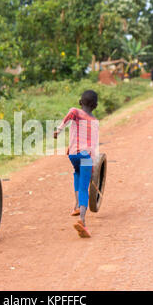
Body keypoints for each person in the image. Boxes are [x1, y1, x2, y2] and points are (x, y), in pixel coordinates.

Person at [54, 91, 99, 238]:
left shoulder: (75, 111)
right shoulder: (95, 121)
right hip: (86, 155)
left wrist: (58, 130)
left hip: (73, 154)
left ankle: (76, 206)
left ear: (81, 102)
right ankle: (82, 221)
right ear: (96, 106)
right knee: (84, 185)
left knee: (77, 174)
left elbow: (69, 116)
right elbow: (93, 144)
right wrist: (93, 165)